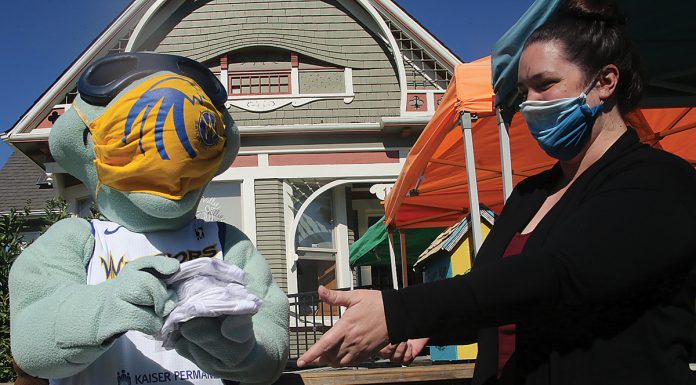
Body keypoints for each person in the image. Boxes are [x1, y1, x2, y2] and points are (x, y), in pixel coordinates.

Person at [297, 1, 696, 384]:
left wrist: (399, 311)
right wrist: (428, 330)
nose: (530, 105)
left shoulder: (661, 182)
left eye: (545, 85)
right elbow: (493, 293)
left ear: (606, 82)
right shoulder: (530, 194)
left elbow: (554, 277)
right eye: (524, 92)